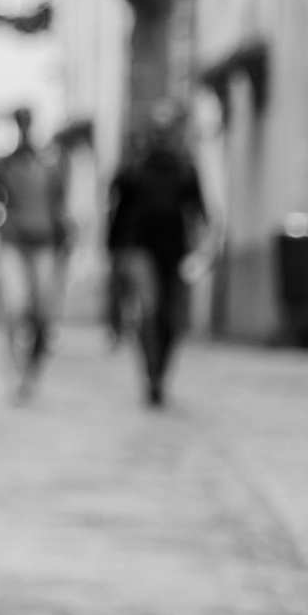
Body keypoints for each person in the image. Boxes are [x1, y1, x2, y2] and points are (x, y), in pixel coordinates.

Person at [107, 100, 207, 406]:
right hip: (139, 250)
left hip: (174, 252)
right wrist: (114, 251)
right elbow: (117, 211)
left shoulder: (185, 169)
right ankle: (151, 375)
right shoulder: (134, 170)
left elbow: (199, 211)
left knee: (172, 319)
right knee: (150, 312)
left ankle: (160, 374)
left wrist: (201, 250)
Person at [0, 106, 70, 401]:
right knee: (15, 306)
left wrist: (64, 241)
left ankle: (31, 370)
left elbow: (58, 205)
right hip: (14, 244)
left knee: (43, 313)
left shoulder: (50, 165)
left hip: (44, 243)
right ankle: (18, 372)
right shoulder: (1, 166)